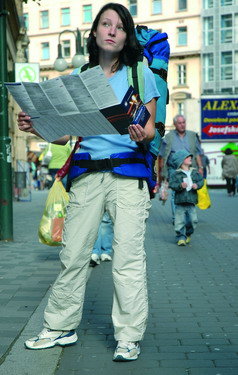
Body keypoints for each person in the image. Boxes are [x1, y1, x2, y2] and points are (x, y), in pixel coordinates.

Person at [17, 3, 159, 362]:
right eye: (105, 24)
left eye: (119, 26)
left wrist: (142, 133)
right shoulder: (81, 77)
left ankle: (128, 335)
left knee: (127, 258)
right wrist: (37, 126)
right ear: (93, 33)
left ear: (126, 36)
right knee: (73, 255)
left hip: (128, 175)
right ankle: (60, 326)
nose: (111, 31)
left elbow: (152, 128)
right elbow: (66, 135)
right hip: (87, 175)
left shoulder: (141, 75)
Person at [158, 114, 203, 223]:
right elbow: (162, 155)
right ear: (175, 124)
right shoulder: (169, 137)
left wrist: (200, 167)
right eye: (179, 123)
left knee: (190, 191)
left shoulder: (192, 135)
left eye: (183, 122)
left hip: (190, 169)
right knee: (175, 192)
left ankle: (188, 216)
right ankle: (177, 218)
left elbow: (197, 153)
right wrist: (161, 171)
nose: (182, 125)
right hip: (174, 169)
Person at [169, 150, 204, 246]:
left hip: (191, 201)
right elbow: (172, 184)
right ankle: (180, 237)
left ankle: (188, 233)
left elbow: (201, 181)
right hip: (180, 202)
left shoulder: (194, 172)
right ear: (181, 160)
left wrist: (197, 185)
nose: (190, 158)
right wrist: (180, 186)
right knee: (179, 221)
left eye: (190, 157)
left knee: (193, 220)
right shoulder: (176, 174)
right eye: (187, 157)